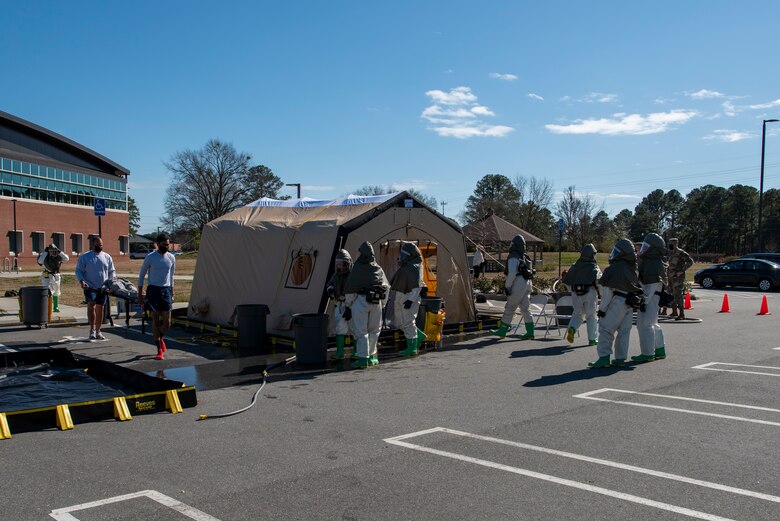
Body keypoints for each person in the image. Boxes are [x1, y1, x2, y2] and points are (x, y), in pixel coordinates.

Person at [589, 238, 642, 368]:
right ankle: (620, 358)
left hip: (617, 301)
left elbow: (607, 292)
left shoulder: (614, 268)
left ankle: (604, 358)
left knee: (605, 329)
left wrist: (602, 309)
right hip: (629, 302)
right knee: (624, 331)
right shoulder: (633, 268)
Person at [343, 241, 389, 369]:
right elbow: (386, 287)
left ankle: (363, 359)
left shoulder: (357, 268)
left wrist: (348, 305)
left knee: (361, 331)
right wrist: (383, 304)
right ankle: (372, 357)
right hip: (376, 302)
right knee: (374, 330)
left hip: (360, 301)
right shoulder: (377, 268)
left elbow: (351, 289)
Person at [138, 233, 176, 360]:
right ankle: (159, 349)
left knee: (167, 322)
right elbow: (142, 275)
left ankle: (160, 337)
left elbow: (172, 276)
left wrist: (172, 292)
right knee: (155, 319)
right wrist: (140, 294)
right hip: (153, 290)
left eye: (168, 244)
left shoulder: (171, 257)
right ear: (158, 244)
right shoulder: (150, 257)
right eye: (164, 244)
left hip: (166, 290)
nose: (167, 246)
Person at [491, 234, 535, 340]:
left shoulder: (513, 256)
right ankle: (530, 332)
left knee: (510, 307)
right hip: (527, 283)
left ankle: (502, 330)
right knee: (525, 309)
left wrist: (507, 286)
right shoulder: (524, 256)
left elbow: (512, 273)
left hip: (518, 283)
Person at [633, 233, 668, 363]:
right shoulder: (655, 262)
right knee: (653, 323)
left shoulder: (652, 264)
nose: (644, 249)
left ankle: (647, 353)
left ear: (653, 249)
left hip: (650, 297)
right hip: (654, 297)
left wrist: (643, 299)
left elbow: (651, 285)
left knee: (645, 324)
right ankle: (660, 350)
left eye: (647, 247)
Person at [390, 241, 428, 357]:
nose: (402, 257)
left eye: (404, 254)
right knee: (400, 321)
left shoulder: (415, 267)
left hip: (410, 297)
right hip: (401, 295)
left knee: (408, 321)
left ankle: (412, 348)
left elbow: (417, 285)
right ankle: (419, 336)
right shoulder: (406, 266)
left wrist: (410, 300)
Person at [75, 237, 116, 341]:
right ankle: (92, 330)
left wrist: (111, 284)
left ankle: (98, 331)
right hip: (90, 286)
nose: (99, 247)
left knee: (100, 307)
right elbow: (79, 270)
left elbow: (112, 271)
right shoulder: (85, 257)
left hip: (103, 287)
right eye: (97, 245)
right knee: (91, 304)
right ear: (92, 245)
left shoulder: (107, 257)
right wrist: (82, 281)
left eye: (101, 245)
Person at [562, 244, 601, 346]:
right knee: (591, 316)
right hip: (590, 292)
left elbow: (567, 281)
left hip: (575, 293)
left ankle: (572, 328)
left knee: (577, 314)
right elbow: (599, 282)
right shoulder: (594, 267)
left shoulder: (575, 266)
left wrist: (571, 290)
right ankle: (592, 339)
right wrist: (601, 294)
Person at [326, 249, 353, 360]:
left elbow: (355, 292)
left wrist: (349, 308)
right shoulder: (336, 275)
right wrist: (330, 289)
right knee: (339, 328)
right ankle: (340, 353)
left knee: (355, 329)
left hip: (351, 306)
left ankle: (357, 352)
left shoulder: (352, 275)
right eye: (337, 263)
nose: (338, 265)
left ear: (346, 264)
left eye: (340, 263)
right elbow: (330, 283)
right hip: (339, 305)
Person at [667, 238, 694, 320]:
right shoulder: (671, 253)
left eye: (672, 244)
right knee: (671, 294)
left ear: (676, 244)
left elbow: (690, 262)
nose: (670, 245)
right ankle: (674, 311)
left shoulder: (681, 252)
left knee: (678, 295)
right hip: (671, 277)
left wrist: (682, 270)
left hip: (678, 278)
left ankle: (681, 314)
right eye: (670, 244)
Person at [37, 243, 69, 312]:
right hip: (46, 275)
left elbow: (66, 259)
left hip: (56, 275)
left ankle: (55, 306)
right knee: (47, 290)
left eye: (54, 251)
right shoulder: (44, 256)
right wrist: (45, 252)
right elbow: (40, 261)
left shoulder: (58, 256)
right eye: (51, 251)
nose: (53, 253)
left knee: (56, 290)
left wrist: (60, 252)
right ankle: (48, 306)